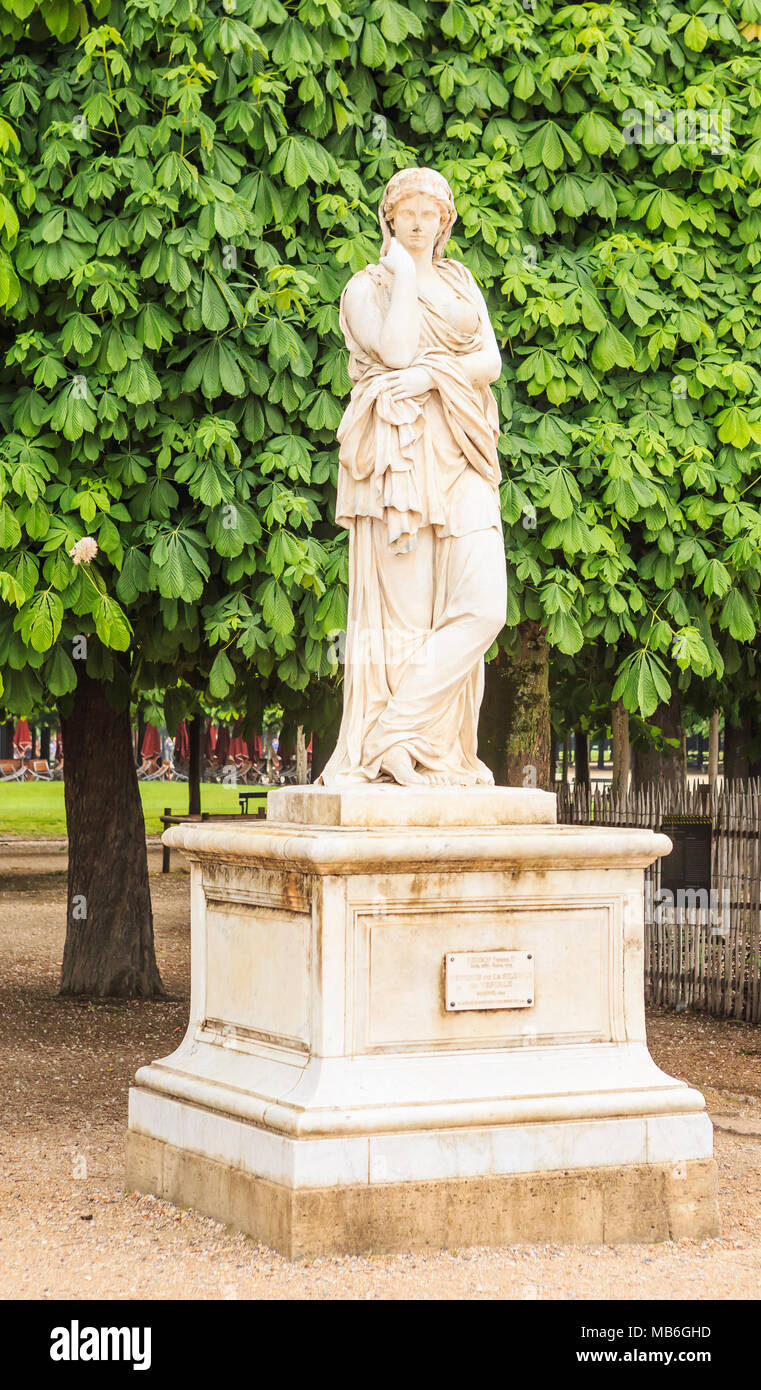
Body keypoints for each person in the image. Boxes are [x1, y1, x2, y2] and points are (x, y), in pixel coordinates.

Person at [319, 166, 507, 787]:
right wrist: (402, 274)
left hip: (463, 449)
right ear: (390, 218)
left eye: (433, 211)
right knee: (406, 620)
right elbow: (395, 351)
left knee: (484, 608)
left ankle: (398, 732)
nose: (422, 221)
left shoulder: (460, 279)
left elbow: (491, 361)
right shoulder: (366, 288)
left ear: (446, 220)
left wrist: (432, 377)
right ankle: (404, 749)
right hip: (399, 459)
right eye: (410, 210)